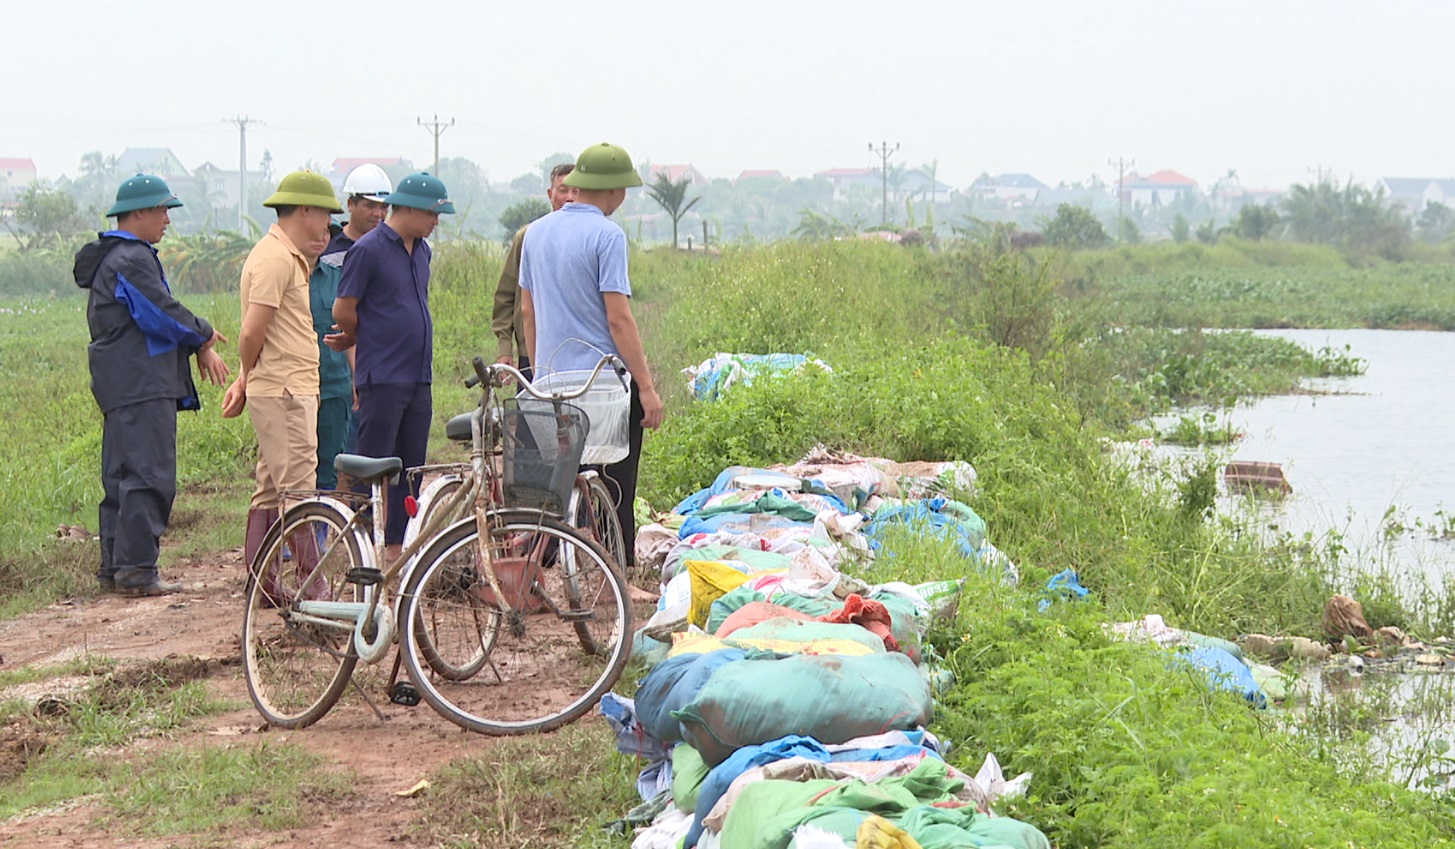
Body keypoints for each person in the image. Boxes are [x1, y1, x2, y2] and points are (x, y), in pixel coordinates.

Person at [73, 174, 229, 596]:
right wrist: (204, 334)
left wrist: (197, 338)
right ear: (138, 212)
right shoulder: (131, 259)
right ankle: (138, 571)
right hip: (141, 383)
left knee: (121, 478)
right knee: (149, 475)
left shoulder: (115, 257)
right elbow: (160, 312)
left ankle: (116, 569)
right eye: (162, 210)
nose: (167, 220)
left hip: (121, 383)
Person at [519, 143, 665, 566]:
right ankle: (614, 572)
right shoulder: (607, 235)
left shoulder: (537, 233)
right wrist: (647, 387)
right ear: (614, 190)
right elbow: (619, 319)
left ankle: (540, 567)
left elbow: (528, 310)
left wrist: (540, 371)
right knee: (614, 484)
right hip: (600, 385)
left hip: (550, 382)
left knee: (556, 484)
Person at [222, 171, 342, 593]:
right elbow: (252, 332)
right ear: (305, 210)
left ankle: (265, 585)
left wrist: (244, 378)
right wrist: (245, 375)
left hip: (285, 386)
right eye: (326, 213)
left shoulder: (285, 256)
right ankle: (314, 587)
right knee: (298, 490)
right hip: (286, 391)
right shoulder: (275, 259)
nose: (329, 223)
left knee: (271, 490)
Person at [332, 172, 453, 561]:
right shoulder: (368, 250)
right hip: (382, 376)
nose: (436, 223)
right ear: (411, 209)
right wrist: (366, 336)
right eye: (433, 215)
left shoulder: (422, 251)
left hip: (418, 377)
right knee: (372, 466)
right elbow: (343, 309)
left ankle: (397, 550)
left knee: (410, 469)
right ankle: (362, 546)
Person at [320, 164, 391, 464]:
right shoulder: (327, 248)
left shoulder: (391, 248)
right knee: (341, 457)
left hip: (381, 366)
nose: (378, 214)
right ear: (350, 204)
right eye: (369, 205)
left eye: (383, 207)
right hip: (336, 367)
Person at [492, 163, 577, 382]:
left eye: (576, 191)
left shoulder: (593, 239)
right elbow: (506, 296)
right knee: (532, 415)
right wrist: (504, 348)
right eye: (563, 190)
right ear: (550, 194)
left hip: (577, 356)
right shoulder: (528, 237)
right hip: (531, 352)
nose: (569, 197)